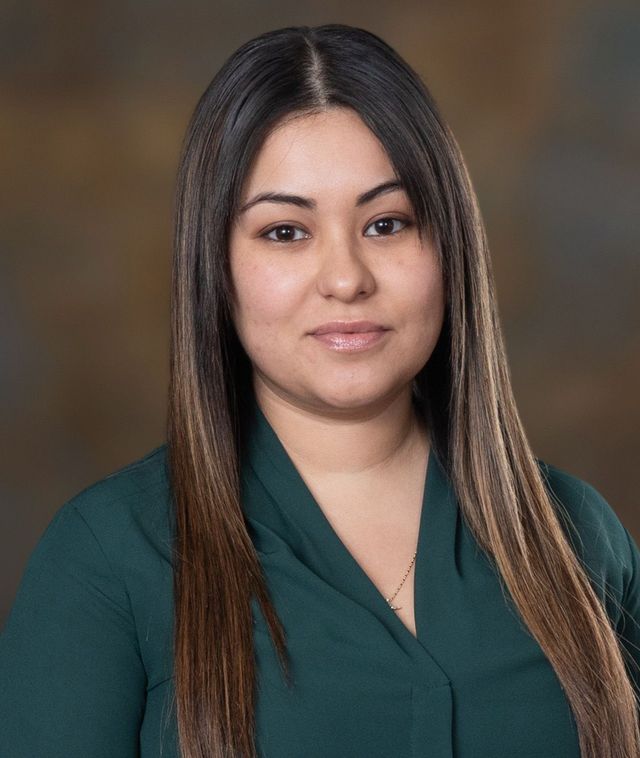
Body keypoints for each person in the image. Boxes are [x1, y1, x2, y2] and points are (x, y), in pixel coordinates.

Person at [0, 23, 638, 758]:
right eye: (285, 232)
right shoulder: (107, 559)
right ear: (215, 265)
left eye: (387, 223)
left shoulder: (578, 537)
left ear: (451, 245)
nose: (345, 278)